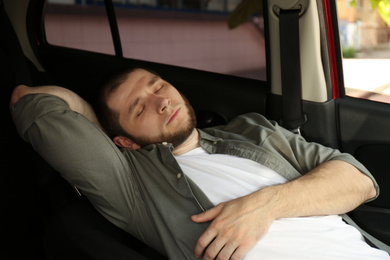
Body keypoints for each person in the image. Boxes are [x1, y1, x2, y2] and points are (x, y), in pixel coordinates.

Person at [10, 66, 390, 260]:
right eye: (139, 108)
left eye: (157, 86)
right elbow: (28, 101)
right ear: (124, 141)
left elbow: (360, 181)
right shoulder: (133, 183)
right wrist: (92, 118)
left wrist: (264, 206)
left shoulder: (253, 129)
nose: (161, 101)